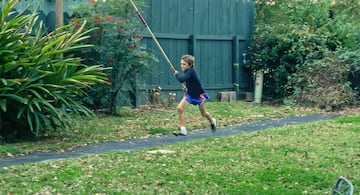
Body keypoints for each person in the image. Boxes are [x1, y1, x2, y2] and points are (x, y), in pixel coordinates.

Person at [173, 54, 216, 136]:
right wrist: (187, 88)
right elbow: (191, 82)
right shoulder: (187, 71)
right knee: (179, 108)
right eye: (181, 64)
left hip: (199, 96)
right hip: (190, 94)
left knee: (203, 114)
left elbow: (181, 79)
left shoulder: (191, 71)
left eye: (184, 64)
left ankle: (212, 120)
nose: (182, 66)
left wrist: (177, 74)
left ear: (190, 65)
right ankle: (183, 130)